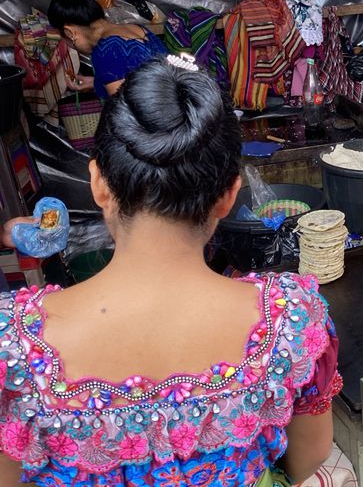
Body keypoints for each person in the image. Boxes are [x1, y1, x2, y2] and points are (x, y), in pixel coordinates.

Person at [0, 58, 340, 486]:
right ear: (229, 196)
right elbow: (310, 454)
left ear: (99, 184)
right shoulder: (292, 319)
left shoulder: (11, 346)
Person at [47, 0, 168, 98]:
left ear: (70, 33)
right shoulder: (137, 29)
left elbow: (124, 109)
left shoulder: (105, 50)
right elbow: (142, 77)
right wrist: (96, 82)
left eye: (66, 41)